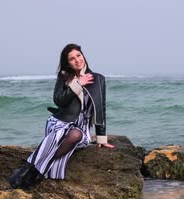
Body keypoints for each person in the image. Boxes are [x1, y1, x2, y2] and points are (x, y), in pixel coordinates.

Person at [9, 43, 114, 189]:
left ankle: (29, 170)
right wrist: (77, 84)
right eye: (72, 59)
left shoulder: (98, 79)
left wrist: (101, 138)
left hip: (81, 127)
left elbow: (100, 109)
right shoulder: (64, 77)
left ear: (83, 56)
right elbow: (59, 101)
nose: (77, 60)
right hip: (60, 122)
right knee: (61, 133)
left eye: (78, 55)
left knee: (75, 135)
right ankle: (33, 175)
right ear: (68, 63)